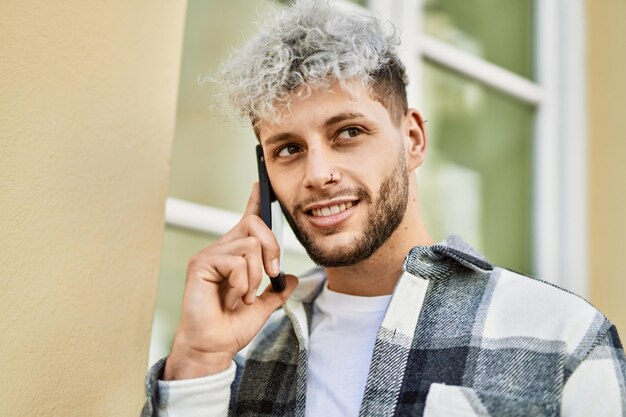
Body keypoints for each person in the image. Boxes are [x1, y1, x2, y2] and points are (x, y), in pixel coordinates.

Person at [142, 1, 626, 416]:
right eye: (287, 148)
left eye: (348, 132)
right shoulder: (232, 354)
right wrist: (199, 361)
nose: (317, 173)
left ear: (412, 139)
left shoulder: (561, 336)